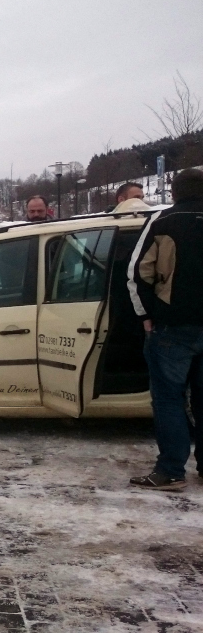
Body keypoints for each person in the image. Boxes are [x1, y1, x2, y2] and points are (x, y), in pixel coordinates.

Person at [127, 167, 203, 490]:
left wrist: (146, 315)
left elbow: (136, 273)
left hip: (172, 326)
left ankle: (171, 470)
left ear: (174, 192)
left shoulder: (161, 222)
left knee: (169, 399)